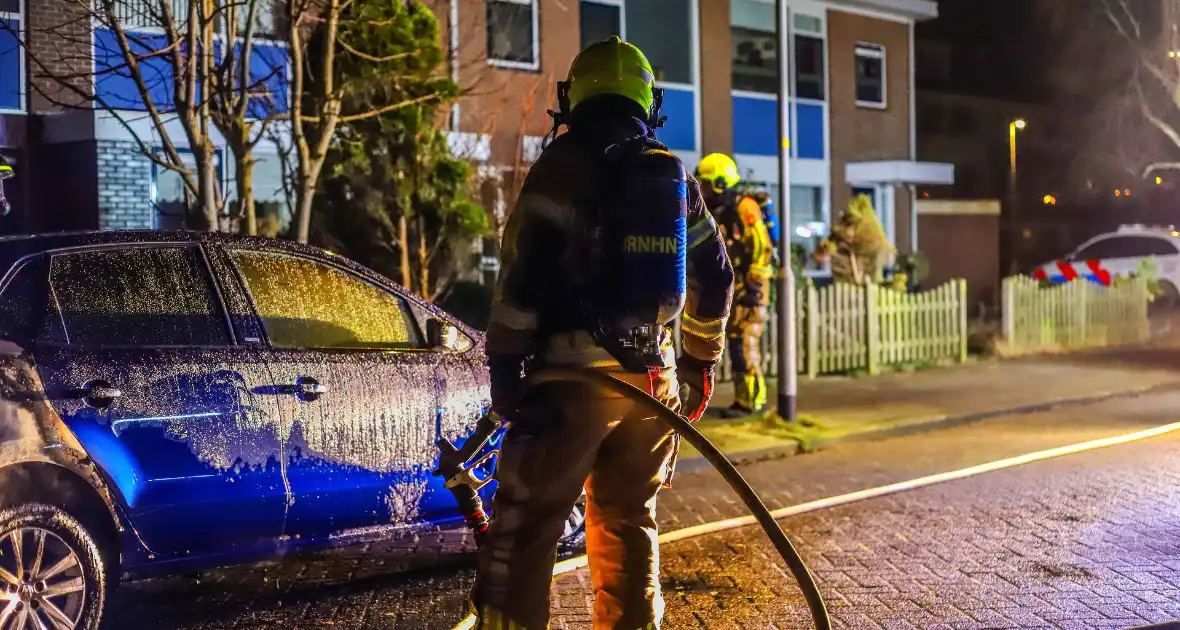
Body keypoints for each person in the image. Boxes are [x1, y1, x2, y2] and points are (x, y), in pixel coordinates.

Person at [472, 36, 734, 630]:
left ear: (573, 97)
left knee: (526, 530)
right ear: (649, 101)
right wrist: (696, 366)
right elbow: (715, 275)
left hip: (570, 385)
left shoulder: (560, 170)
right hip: (651, 386)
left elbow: (520, 278)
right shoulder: (671, 175)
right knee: (628, 524)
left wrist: (504, 373)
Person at [695, 153, 774, 417]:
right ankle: (745, 400)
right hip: (738, 287)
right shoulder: (720, 211)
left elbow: (761, 247)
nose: (703, 189)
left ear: (720, 183)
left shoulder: (744, 207)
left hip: (752, 288)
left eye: (706, 184)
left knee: (745, 342)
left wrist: (754, 284)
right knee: (737, 342)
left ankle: (752, 402)